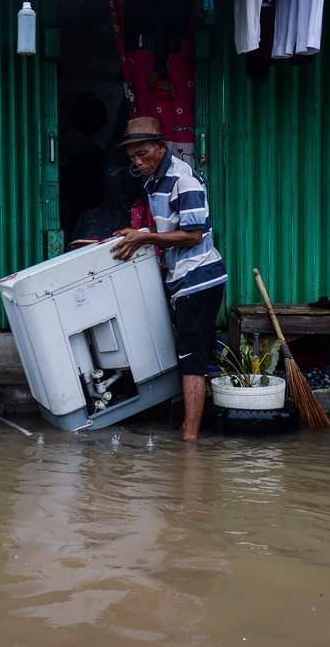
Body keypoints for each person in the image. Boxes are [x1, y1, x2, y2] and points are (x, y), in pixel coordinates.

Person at [110, 117, 227, 441]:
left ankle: (190, 439)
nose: (137, 162)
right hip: (183, 279)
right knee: (190, 353)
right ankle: (189, 429)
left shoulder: (182, 179)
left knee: (192, 359)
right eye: (133, 156)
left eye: (143, 154)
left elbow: (193, 234)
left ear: (161, 148)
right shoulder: (153, 182)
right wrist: (143, 233)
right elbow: (170, 228)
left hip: (199, 279)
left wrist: (144, 239)